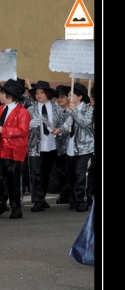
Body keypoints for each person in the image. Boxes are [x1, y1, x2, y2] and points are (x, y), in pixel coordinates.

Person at [0, 79, 31, 219]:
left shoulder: (22, 112)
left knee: (13, 180)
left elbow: (22, 131)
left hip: (14, 151)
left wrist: (3, 130)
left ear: (9, 95)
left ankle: (15, 207)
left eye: (1, 93)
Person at [26, 81, 64, 213]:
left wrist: (58, 129)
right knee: (35, 173)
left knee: (45, 173)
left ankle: (41, 197)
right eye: (36, 93)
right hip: (35, 147)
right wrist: (29, 125)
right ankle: (37, 201)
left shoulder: (56, 108)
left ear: (47, 93)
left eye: (41, 92)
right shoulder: (30, 109)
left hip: (51, 145)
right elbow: (23, 127)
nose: (39, 95)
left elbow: (63, 124)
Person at [61, 82, 94, 212]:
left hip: (84, 148)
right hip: (70, 148)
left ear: (79, 96)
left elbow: (85, 123)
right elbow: (66, 126)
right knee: (72, 175)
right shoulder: (69, 109)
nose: (68, 97)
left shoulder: (88, 109)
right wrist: (59, 129)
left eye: (70, 95)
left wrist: (74, 111)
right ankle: (74, 199)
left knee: (82, 176)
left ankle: (83, 200)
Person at [52, 85, 73, 204]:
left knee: (70, 172)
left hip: (70, 148)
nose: (60, 99)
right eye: (58, 97)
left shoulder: (72, 111)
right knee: (61, 172)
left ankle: (71, 194)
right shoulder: (56, 110)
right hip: (59, 148)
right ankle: (64, 194)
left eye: (63, 96)